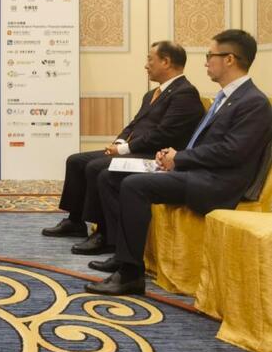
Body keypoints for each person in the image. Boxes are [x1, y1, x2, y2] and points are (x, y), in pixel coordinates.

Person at [86, 29, 272, 295]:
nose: (206, 62)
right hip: (198, 171)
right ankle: (121, 253)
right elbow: (207, 143)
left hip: (217, 183)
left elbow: (232, 152)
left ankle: (130, 273)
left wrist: (180, 159)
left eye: (209, 55)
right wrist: (172, 155)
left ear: (229, 59)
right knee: (111, 175)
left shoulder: (253, 102)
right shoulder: (228, 97)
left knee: (135, 186)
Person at [42, 41, 204, 254]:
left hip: (154, 156)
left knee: (96, 167)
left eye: (150, 59)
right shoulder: (152, 94)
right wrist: (118, 143)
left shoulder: (185, 93)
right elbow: (134, 124)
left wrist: (124, 149)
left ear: (166, 62)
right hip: (136, 150)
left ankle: (105, 234)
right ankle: (75, 221)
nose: (146, 65)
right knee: (76, 161)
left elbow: (164, 135)